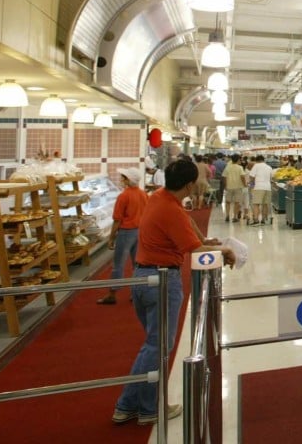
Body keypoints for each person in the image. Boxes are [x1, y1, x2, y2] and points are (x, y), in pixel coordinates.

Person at [112, 159, 235, 426]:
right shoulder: (171, 210)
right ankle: (148, 409)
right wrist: (223, 250)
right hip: (163, 280)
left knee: (153, 345)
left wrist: (204, 239)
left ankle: (127, 405)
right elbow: (194, 250)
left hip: (142, 277)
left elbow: (187, 222)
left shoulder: (159, 197)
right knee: (157, 346)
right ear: (190, 185)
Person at [97, 168, 148, 305]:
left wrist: (111, 238)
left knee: (118, 264)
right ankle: (136, 293)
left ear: (128, 180)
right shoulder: (143, 194)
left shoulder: (124, 196)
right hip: (139, 231)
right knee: (137, 264)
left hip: (126, 232)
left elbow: (117, 219)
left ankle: (112, 294)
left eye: (123, 177)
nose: (121, 179)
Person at [248, 155, 273, 225]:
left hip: (258, 187)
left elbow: (251, 176)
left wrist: (251, 183)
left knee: (256, 204)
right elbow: (271, 178)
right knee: (265, 204)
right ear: (263, 160)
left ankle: (256, 220)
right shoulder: (269, 167)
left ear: (257, 161)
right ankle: (263, 220)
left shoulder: (256, 166)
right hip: (267, 187)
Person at [222, 154, 246, 223]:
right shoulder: (240, 167)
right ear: (238, 160)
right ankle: (235, 216)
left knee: (228, 202)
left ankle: (227, 215)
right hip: (238, 187)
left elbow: (224, 177)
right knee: (237, 202)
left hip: (229, 187)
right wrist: (244, 184)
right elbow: (242, 177)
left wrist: (225, 185)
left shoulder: (227, 167)